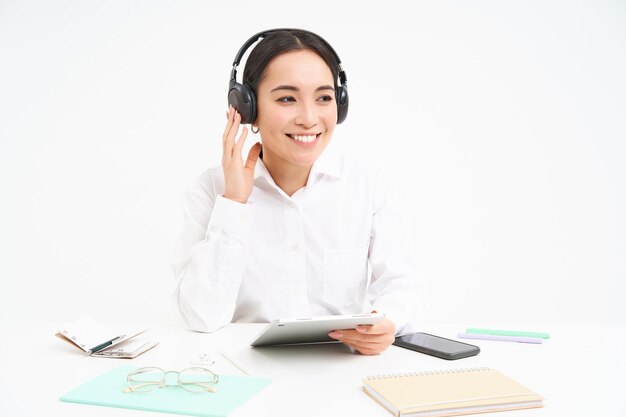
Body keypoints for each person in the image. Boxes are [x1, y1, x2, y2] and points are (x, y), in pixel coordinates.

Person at [171, 29, 420, 355]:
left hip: (341, 373)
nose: (309, 118)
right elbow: (200, 316)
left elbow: (401, 285)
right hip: (246, 373)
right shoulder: (211, 189)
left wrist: (386, 320)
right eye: (287, 98)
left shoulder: (368, 182)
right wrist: (234, 203)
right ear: (247, 108)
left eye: (324, 98)